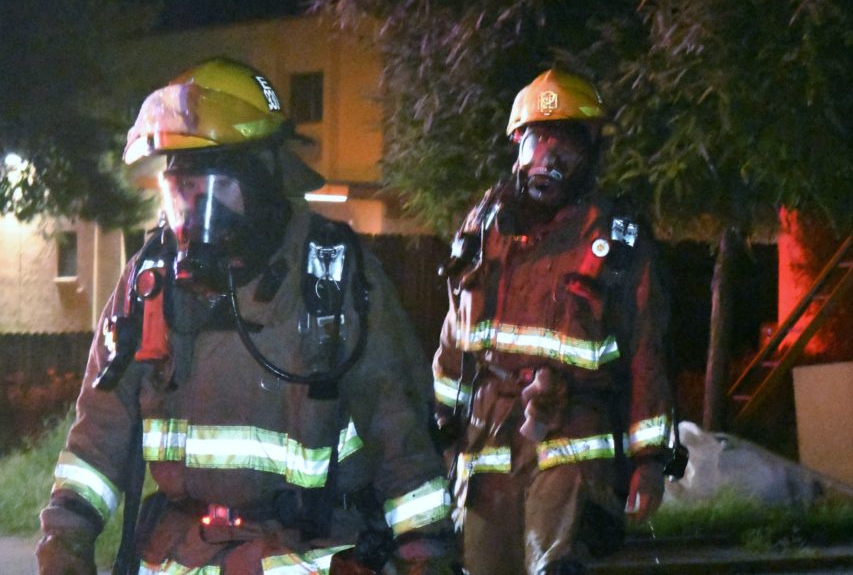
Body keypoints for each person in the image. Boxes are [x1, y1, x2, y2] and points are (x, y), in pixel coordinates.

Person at [37, 58, 454, 574]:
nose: (193, 217)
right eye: (181, 192)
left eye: (210, 192)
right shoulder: (149, 284)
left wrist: (426, 555)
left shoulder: (332, 275)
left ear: (261, 183)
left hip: (307, 556)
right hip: (180, 557)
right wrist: (65, 540)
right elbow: (98, 433)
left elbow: (400, 438)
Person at [432, 69, 673, 574]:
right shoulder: (483, 228)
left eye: (564, 147)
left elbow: (645, 354)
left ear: (591, 154)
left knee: (554, 566)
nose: (547, 161)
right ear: (517, 147)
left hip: (571, 440)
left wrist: (648, 462)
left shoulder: (616, 241)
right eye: (536, 143)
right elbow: (454, 341)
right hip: (487, 442)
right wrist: (440, 430)